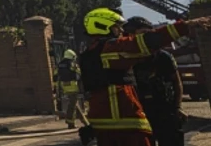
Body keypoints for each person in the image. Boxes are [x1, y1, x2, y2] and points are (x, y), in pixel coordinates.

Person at [79, 8, 211, 146]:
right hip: (124, 122)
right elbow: (147, 41)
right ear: (103, 26)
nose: (121, 32)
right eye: (117, 28)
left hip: (103, 123)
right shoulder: (110, 48)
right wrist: (185, 26)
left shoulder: (88, 53)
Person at [123, 16, 185, 146]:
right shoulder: (126, 59)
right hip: (140, 113)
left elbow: (177, 82)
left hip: (165, 110)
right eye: (136, 34)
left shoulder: (163, 57)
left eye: (145, 34)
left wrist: (177, 107)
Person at [54, 49, 85, 129]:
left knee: (74, 103)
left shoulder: (59, 64)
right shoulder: (71, 63)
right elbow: (79, 72)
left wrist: (56, 88)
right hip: (73, 86)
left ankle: (85, 122)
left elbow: (55, 76)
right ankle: (70, 122)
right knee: (72, 105)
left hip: (64, 86)